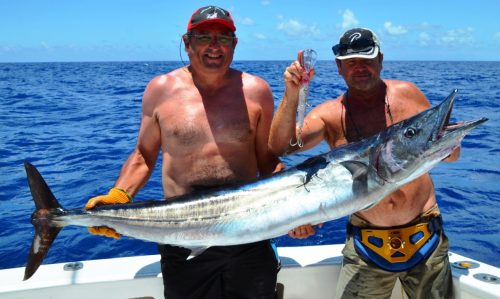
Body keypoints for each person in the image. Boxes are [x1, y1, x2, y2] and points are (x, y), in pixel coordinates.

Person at [85, 5, 283, 299]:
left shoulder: (257, 90)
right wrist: (119, 196)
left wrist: (294, 208)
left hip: (248, 231)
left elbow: (267, 160)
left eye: (223, 38)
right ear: (187, 42)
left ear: (235, 44)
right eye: (204, 37)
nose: (214, 47)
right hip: (182, 233)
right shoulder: (160, 89)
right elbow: (143, 155)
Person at [269, 28, 459, 298]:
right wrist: (292, 94)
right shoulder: (331, 114)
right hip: (366, 246)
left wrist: (447, 146)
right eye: (351, 62)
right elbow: (280, 146)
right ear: (339, 67)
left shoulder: (408, 93)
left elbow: (452, 155)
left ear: (380, 60)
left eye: (367, 60)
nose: (360, 68)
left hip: (426, 240)